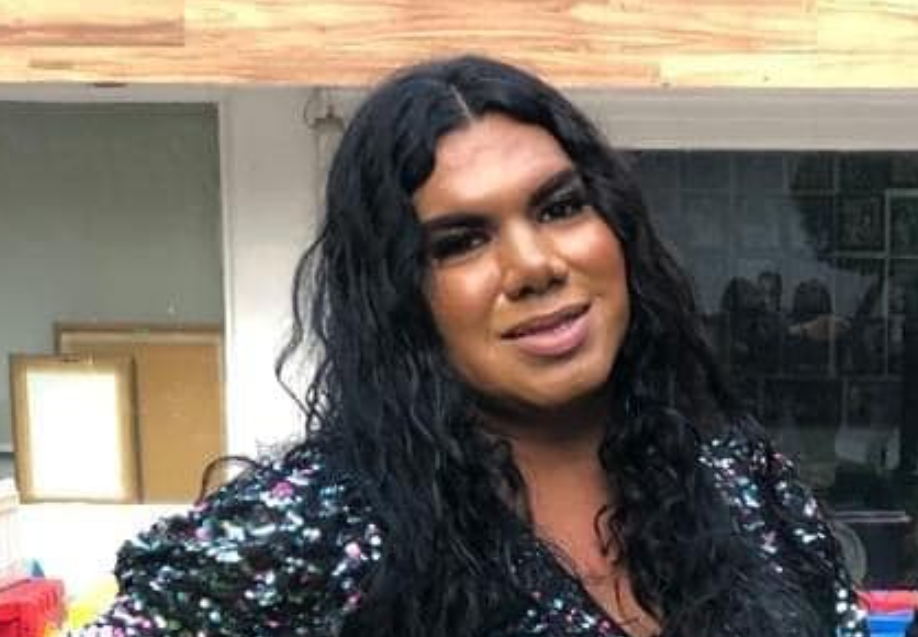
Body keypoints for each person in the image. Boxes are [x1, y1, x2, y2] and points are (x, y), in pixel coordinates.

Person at [77, 56, 867, 637]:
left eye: (559, 207)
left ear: (616, 228)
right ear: (399, 294)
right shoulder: (318, 525)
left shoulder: (740, 482)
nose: (534, 265)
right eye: (459, 241)